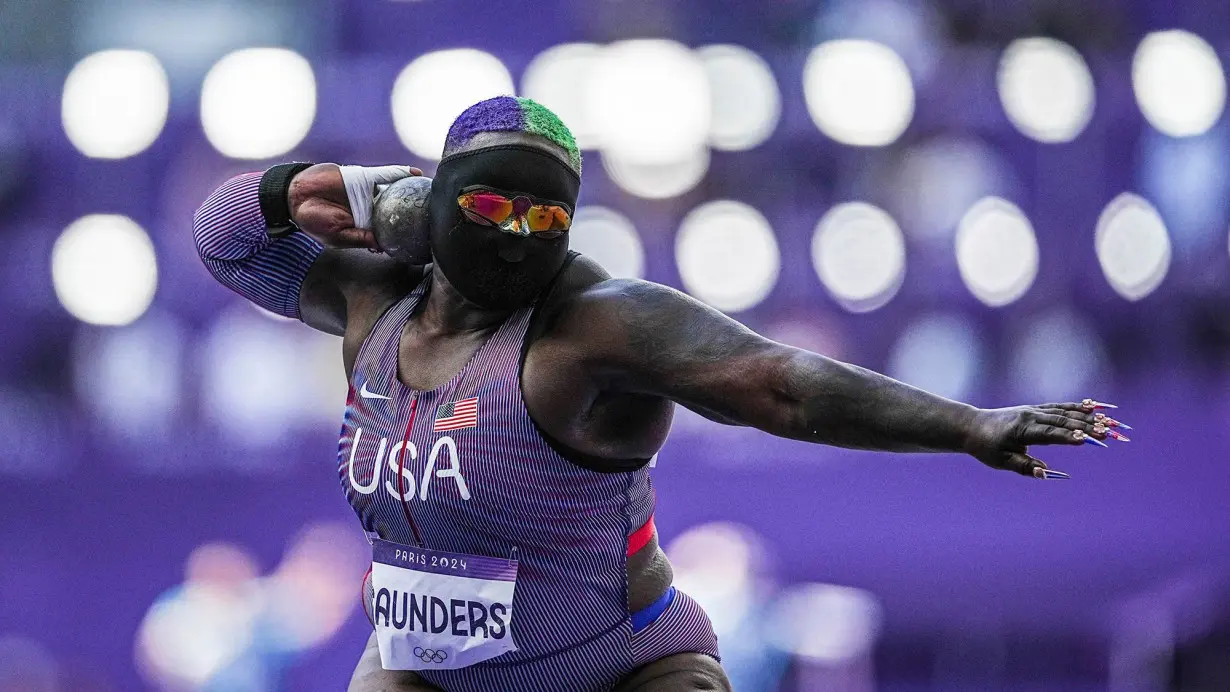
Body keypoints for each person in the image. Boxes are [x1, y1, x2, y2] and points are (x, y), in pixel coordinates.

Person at [193, 96, 1127, 692]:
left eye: (547, 217)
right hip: (425, 674)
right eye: (488, 208)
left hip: (623, 670)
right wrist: (329, 187)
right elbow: (224, 235)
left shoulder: (597, 325)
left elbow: (781, 383)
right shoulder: (372, 301)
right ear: (426, 204)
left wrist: (968, 425)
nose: (519, 236)